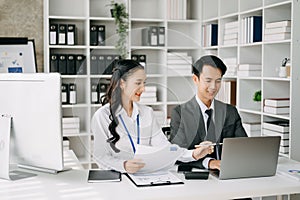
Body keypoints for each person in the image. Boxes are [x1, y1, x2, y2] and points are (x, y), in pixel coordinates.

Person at [91, 59, 214, 174]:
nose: (143, 89)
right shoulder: (102, 116)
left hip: (147, 176)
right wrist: (123, 165)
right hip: (119, 179)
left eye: (144, 83)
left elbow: (164, 148)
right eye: (138, 83)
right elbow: (100, 157)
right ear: (122, 83)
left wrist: (193, 154)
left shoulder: (147, 113)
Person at [169, 55, 248, 170]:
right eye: (208, 81)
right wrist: (209, 162)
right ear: (196, 79)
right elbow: (176, 155)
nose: (213, 87)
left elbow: (244, 148)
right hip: (198, 176)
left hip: (228, 172)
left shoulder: (230, 111)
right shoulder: (180, 113)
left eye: (218, 81)